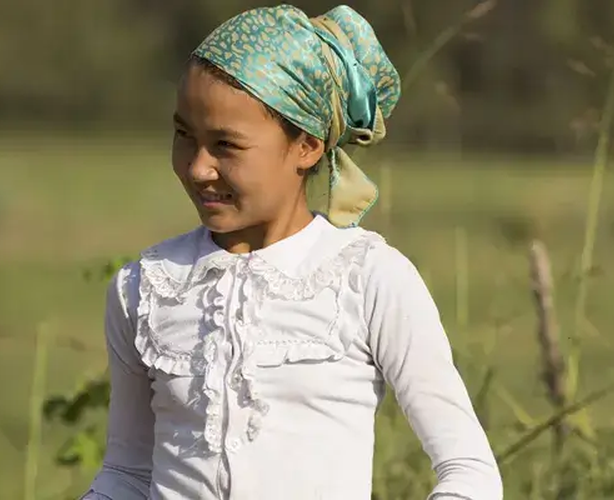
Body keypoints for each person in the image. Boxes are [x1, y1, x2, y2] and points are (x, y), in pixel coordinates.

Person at [82, 4, 502, 499]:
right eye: (183, 136)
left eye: (226, 145)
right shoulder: (146, 287)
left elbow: (468, 469)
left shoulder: (368, 279)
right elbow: (128, 473)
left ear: (307, 146)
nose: (198, 168)